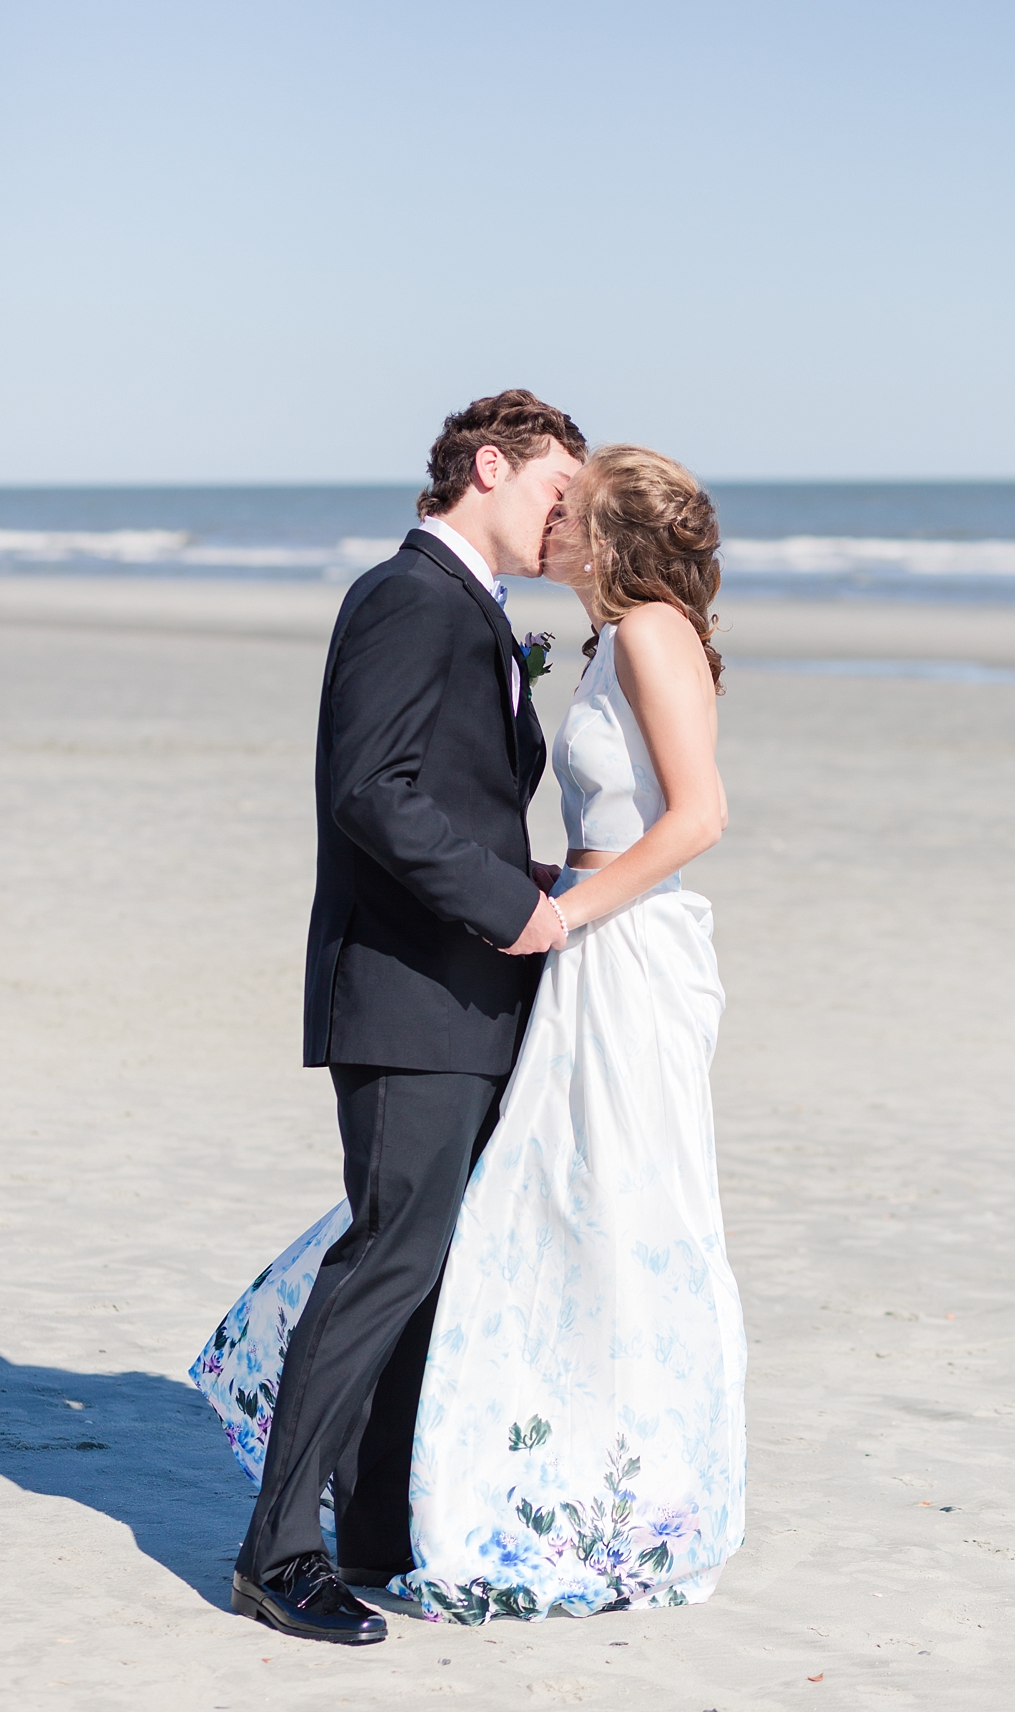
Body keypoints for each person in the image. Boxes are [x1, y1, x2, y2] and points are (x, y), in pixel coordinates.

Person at [222, 389, 587, 1643]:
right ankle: (279, 1557)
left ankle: (373, 1535)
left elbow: (454, 797)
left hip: (469, 991)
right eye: (555, 494)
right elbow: (369, 794)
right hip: (407, 994)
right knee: (384, 1260)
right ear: (489, 467)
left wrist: (527, 884)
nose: (567, 520)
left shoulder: (474, 615)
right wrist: (509, 902)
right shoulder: (404, 596)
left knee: (423, 1274)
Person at [395, 444, 747, 1620]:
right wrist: (540, 882)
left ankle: (626, 1498)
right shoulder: (615, 640)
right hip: (596, 936)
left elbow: (700, 816)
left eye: (568, 508)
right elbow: (621, 819)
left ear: (606, 535)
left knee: (614, 1207)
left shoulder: (650, 630)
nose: (546, 522)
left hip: (629, 960)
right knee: (552, 1204)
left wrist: (567, 914)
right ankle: (546, 1470)